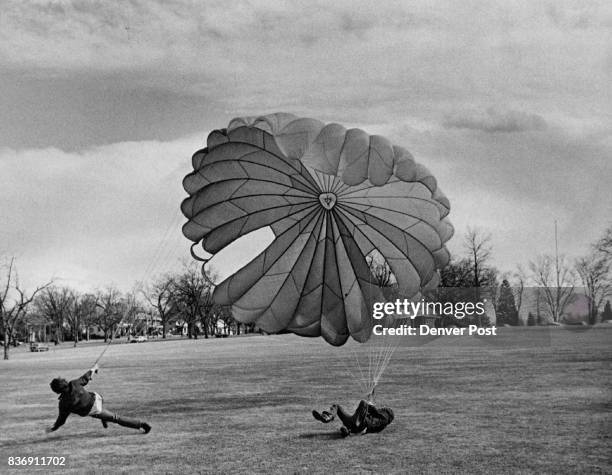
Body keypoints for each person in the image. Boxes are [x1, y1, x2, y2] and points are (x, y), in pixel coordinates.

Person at [46, 364, 151, 434]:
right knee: (106, 412)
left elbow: (61, 420)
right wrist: (94, 368)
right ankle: (142, 424)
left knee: (115, 418)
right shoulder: (74, 384)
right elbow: (85, 377)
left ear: (57, 391)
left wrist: (53, 428)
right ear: (64, 382)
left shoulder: (63, 403)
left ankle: (140, 424)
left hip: (94, 410)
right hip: (97, 399)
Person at [312, 390, 394, 437]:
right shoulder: (380, 423)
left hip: (361, 423)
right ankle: (329, 417)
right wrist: (371, 397)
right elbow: (372, 413)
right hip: (356, 425)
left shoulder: (385, 417)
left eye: (385, 408)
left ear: (387, 412)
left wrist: (370, 405)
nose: (383, 407)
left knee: (364, 403)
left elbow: (373, 411)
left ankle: (345, 428)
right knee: (336, 406)